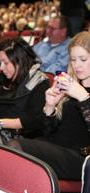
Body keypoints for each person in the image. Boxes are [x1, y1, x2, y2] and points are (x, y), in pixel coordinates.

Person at [14, 31, 90, 180]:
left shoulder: (77, 90)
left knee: (16, 147)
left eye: (83, 59)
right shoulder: (69, 86)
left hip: (79, 158)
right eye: (73, 60)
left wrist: (83, 97)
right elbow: (47, 131)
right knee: (8, 148)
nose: (77, 65)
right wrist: (49, 107)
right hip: (53, 147)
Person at [0, 38, 49, 146]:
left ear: (20, 60)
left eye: (5, 63)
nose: (1, 68)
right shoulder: (3, 78)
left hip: (20, 140)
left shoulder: (39, 81)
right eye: (0, 62)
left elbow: (33, 121)